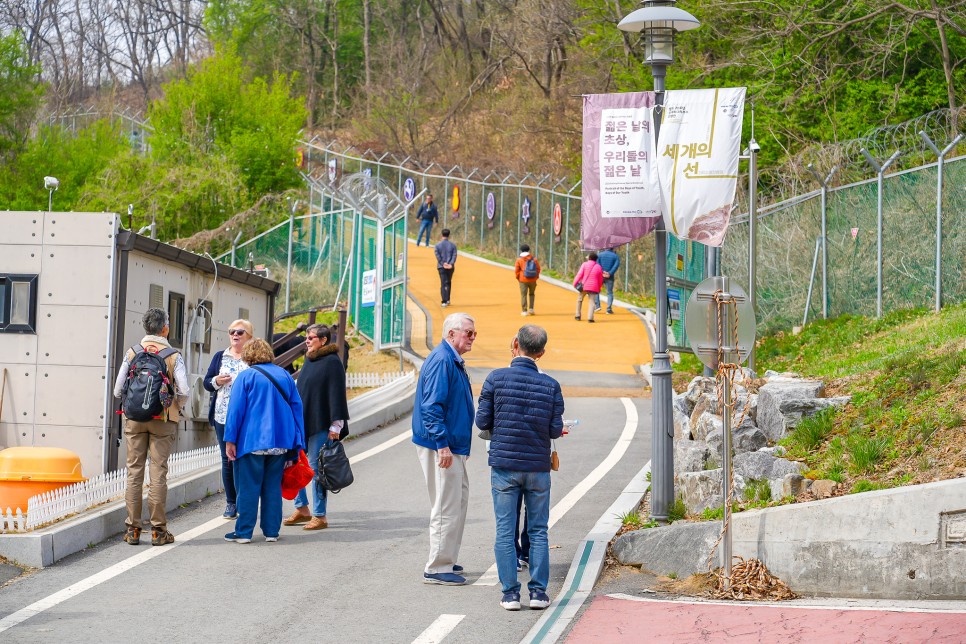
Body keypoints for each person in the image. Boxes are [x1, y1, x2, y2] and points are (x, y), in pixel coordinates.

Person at [476, 325, 564, 611]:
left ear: (516, 344)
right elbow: (554, 428)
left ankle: (510, 594)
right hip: (538, 467)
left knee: (505, 531)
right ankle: (538, 593)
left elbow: (482, 422)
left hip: (504, 466)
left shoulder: (495, 379)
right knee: (538, 531)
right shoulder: (551, 385)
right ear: (541, 352)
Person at [113, 307, 189, 547]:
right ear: (165, 328)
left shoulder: (133, 352)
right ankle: (158, 531)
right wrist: (174, 405)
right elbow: (185, 390)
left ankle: (133, 530)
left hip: (134, 418)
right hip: (163, 420)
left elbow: (117, 390)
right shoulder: (173, 354)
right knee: (158, 472)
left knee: (134, 472)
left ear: (146, 328)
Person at [413, 312, 476, 585]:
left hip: (452, 443)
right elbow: (431, 406)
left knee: (456, 502)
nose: (473, 338)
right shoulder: (443, 360)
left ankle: (446, 557)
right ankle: (438, 566)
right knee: (446, 505)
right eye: (468, 333)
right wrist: (442, 444)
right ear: (451, 334)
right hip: (443, 444)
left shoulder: (450, 359)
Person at [223, 338, 306, 543]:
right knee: (272, 487)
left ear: (248, 355)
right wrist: (298, 442)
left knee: (249, 487)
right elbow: (297, 409)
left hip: (252, 441)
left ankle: (244, 532)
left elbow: (235, 411)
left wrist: (230, 440)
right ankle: (271, 532)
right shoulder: (285, 375)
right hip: (280, 441)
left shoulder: (246, 377)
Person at [284, 323, 350, 531]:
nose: (307, 341)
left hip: (322, 424)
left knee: (317, 468)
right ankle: (302, 509)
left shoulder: (332, 362)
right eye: (306, 338)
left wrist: (336, 426)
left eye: (311, 338)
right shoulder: (310, 360)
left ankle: (320, 515)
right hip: (303, 423)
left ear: (323, 340)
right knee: (296, 464)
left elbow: (337, 395)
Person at [203, 319, 254, 520]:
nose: (235, 335)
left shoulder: (253, 358)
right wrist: (216, 381)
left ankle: (245, 501)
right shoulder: (219, 357)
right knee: (227, 460)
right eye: (232, 331)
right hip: (222, 416)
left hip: (247, 417)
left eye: (240, 332)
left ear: (249, 336)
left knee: (246, 458)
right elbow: (207, 383)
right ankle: (231, 503)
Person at [573, 252, 604, 323]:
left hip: (584, 285)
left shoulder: (584, 264)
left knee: (580, 300)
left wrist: (575, 283)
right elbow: (600, 279)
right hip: (594, 287)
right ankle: (590, 318)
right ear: (596, 259)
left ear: (589, 258)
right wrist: (599, 287)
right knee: (592, 302)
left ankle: (578, 315)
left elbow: (579, 274)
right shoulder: (599, 267)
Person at [514, 244, 541, 317]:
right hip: (533, 279)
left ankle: (524, 311)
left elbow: (516, 270)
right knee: (532, 294)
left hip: (523, 279)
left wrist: (518, 278)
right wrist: (536, 277)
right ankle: (531, 309)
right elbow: (538, 269)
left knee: (523, 295)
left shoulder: (519, 260)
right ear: (528, 250)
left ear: (521, 250)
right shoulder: (534, 259)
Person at [435, 228, 457, 307]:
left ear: (442, 235)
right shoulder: (453, 245)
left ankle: (444, 300)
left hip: (441, 266)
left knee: (443, 283)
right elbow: (454, 256)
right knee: (448, 282)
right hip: (450, 267)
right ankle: (447, 299)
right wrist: (450, 264)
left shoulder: (437, 246)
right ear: (449, 235)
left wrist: (443, 263)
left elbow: (438, 256)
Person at [596, 247, 621, 314]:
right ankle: (609, 309)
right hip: (610, 277)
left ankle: (597, 306)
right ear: (613, 248)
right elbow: (616, 266)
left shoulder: (600, 255)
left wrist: (602, 272)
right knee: (609, 292)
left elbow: (597, 264)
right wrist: (609, 273)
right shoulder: (615, 256)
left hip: (600, 276)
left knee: (596, 291)